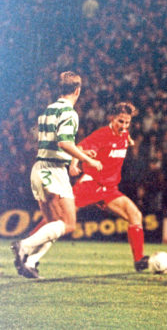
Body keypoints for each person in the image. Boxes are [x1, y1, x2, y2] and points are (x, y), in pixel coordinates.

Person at [27, 102, 150, 271]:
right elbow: (79, 147)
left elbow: (125, 137)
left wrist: (129, 140)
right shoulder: (102, 135)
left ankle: (139, 261)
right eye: (121, 121)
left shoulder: (124, 133)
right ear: (112, 118)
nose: (124, 126)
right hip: (91, 184)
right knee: (60, 219)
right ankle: (28, 246)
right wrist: (73, 165)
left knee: (135, 215)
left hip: (109, 189)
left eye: (127, 122)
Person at [11, 71, 103, 278]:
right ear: (78, 91)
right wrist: (89, 160)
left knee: (54, 224)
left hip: (39, 168)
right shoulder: (70, 113)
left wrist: (80, 153)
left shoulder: (47, 110)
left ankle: (31, 262)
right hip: (54, 170)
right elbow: (64, 143)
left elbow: (53, 142)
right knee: (69, 223)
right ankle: (24, 246)